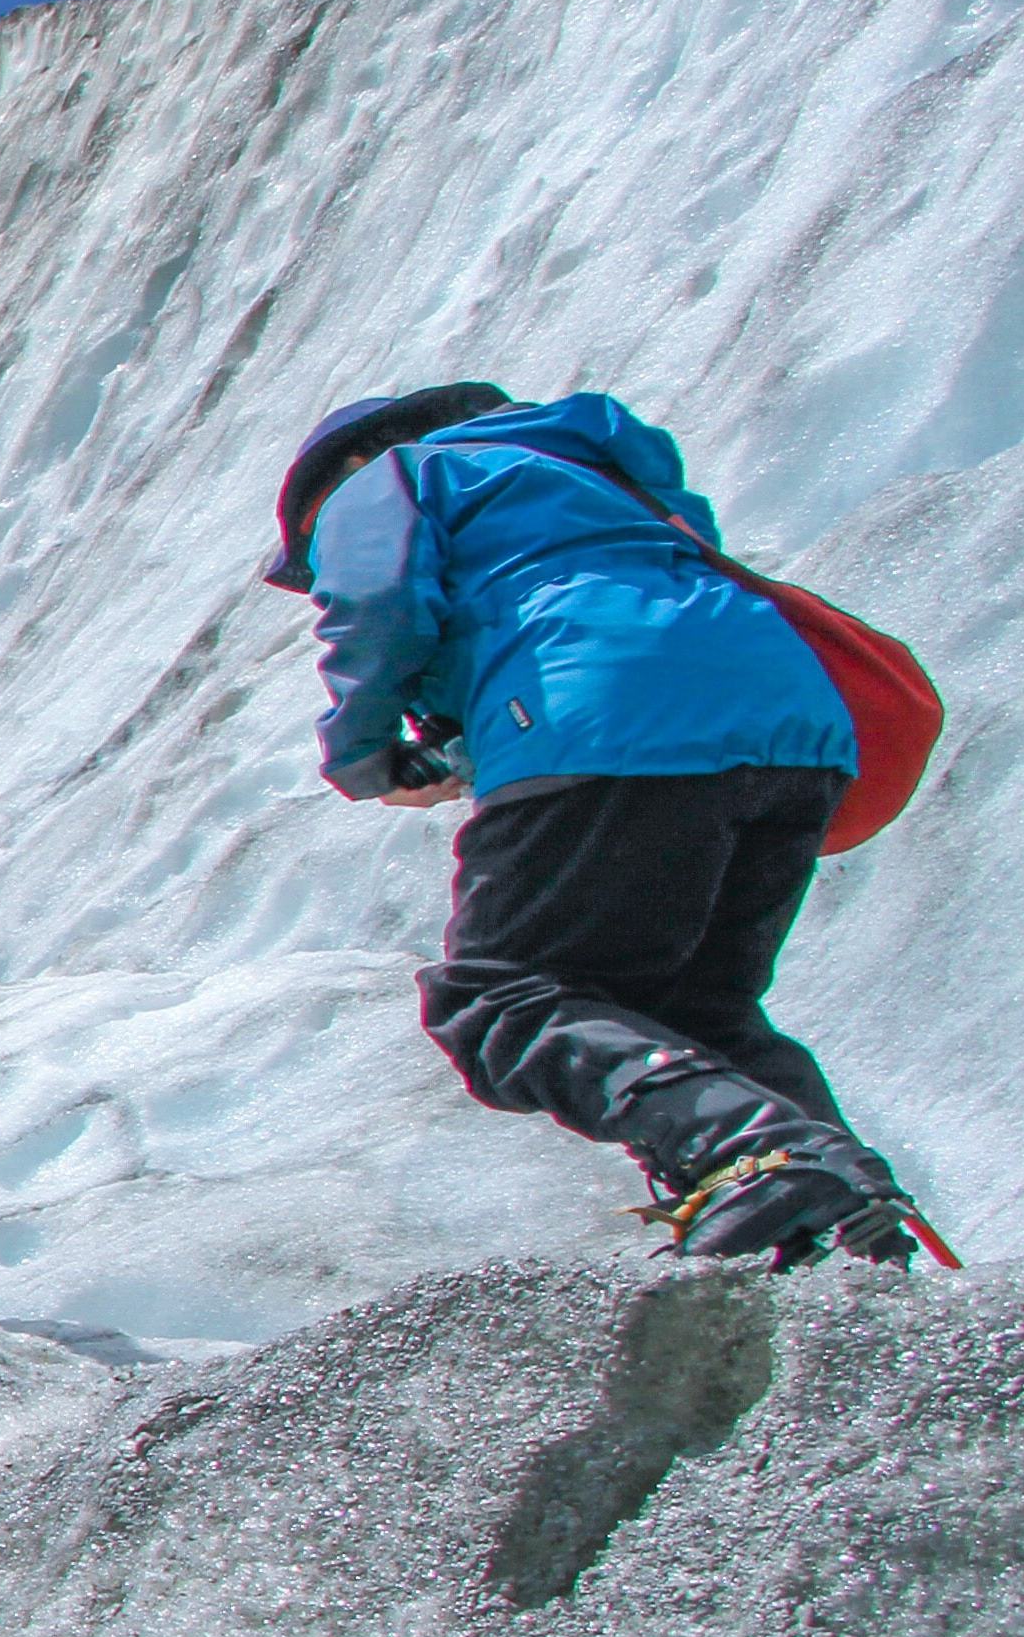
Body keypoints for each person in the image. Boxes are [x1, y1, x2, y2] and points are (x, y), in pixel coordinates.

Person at [269, 383, 917, 1266]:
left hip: (605, 712)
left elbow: (378, 606)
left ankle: (757, 1162)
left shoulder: (392, 474)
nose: (318, 567)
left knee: (498, 997)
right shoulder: (595, 475)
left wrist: (364, 754)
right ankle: (843, 1217)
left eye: (312, 551)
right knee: (693, 1008)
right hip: (790, 727)